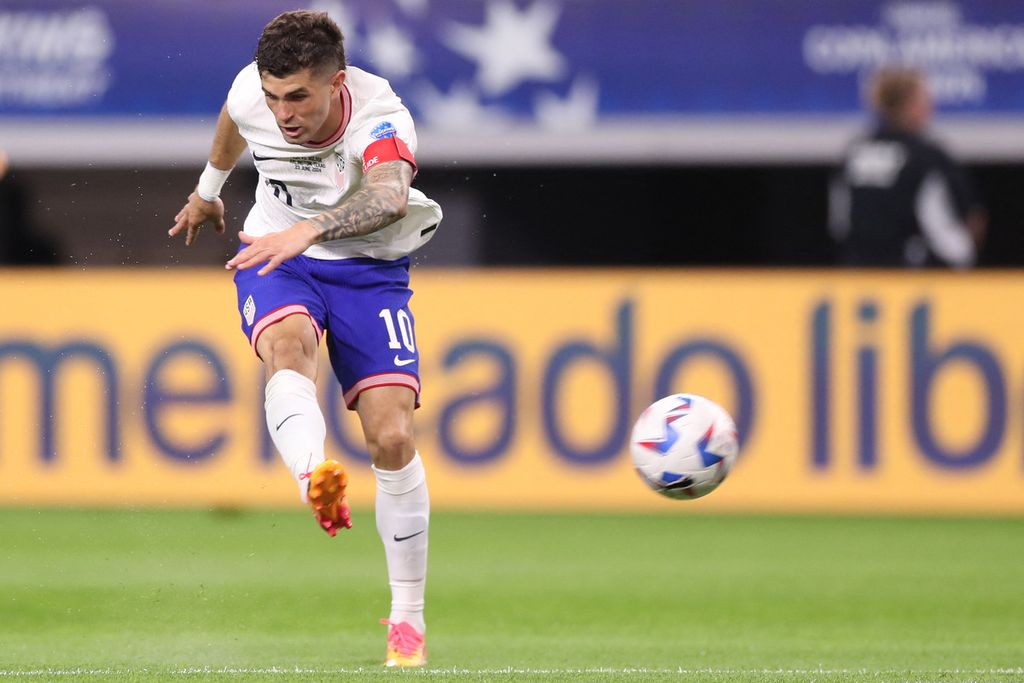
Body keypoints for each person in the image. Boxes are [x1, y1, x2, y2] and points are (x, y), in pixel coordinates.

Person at [169, 10, 441, 667]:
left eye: (299, 97)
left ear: (336, 82)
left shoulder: (382, 116)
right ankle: (313, 477)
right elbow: (236, 121)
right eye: (274, 95)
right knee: (287, 347)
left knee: (393, 436)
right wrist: (208, 191)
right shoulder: (253, 95)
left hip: (369, 271)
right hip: (278, 254)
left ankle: (407, 618)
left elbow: (390, 197)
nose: (284, 113)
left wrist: (311, 229)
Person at [829, 67, 986, 268]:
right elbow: (968, 222)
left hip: (859, 275)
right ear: (911, 104)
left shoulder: (853, 154)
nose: (931, 107)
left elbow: (839, 225)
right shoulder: (927, 157)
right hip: (918, 279)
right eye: (925, 100)